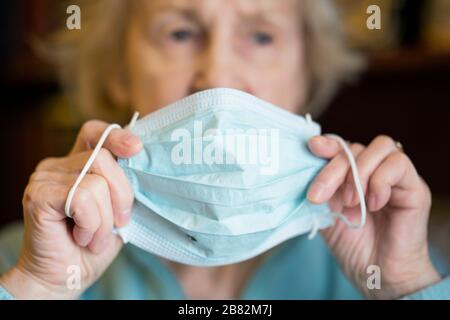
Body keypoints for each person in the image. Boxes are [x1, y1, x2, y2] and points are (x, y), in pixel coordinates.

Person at [0, 0, 449, 300]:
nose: (218, 75)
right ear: (118, 70)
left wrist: (404, 284)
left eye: (260, 36)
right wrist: (38, 287)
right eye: (179, 33)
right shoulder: (23, 260)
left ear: (307, 72)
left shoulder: (390, 259)